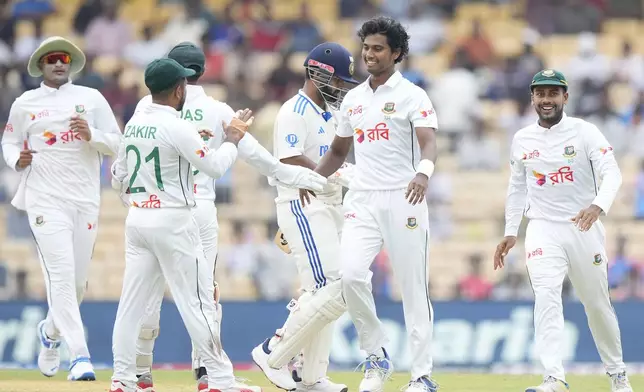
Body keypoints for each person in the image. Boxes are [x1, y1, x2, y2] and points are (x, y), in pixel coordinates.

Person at [108, 58, 327, 392]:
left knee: (131, 305)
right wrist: (233, 138)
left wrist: (140, 200)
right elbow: (213, 167)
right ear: (179, 89)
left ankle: (123, 379)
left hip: (138, 219)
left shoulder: (135, 123)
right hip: (173, 220)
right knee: (198, 302)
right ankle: (220, 379)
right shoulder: (176, 125)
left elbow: (117, 179)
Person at [255, 17, 440, 392]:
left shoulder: (413, 96)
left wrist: (423, 172)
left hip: (404, 198)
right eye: (366, 48)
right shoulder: (353, 100)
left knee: (413, 287)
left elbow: (429, 142)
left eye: (378, 49)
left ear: (397, 53)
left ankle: (422, 376)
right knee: (352, 277)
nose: (369, 55)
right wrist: (311, 181)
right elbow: (338, 152)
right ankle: (376, 356)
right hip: (362, 200)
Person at [494, 69, 633, 392]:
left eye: (553, 93)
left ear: (565, 97)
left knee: (596, 304)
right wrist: (511, 230)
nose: (546, 100)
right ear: (532, 98)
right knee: (546, 296)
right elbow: (516, 187)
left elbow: (611, 174)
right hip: (542, 229)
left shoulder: (585, 132)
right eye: (540, 94)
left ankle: (617, 374)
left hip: (583, 226)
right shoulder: (522, 139)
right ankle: (554, 377)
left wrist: (597, 206)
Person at [1, 36, 122, 381]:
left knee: (78, 284)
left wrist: (92, 135)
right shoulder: (26, 103)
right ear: (41, 64)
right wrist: (17, 160)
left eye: (64, 59)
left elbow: (117, 142)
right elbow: (8, 141)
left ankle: (50, 334)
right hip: (44, 199)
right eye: (52, 58)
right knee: (62, 277)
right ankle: (80, 356)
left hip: (84, 200)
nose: (59, 63)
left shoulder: (91, 99)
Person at [250, 42, 357, 392]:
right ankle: (273, 350)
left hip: (325, 205)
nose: (341, 88)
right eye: (338, 81)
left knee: (332, 290)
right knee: (330, 287)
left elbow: (330, 159)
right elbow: (289, 158)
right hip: (301, 202)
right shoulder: (293, 110)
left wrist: (347, 176)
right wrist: (332, 176)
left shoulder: (329, 113)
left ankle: (312, 377)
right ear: (317, 73)